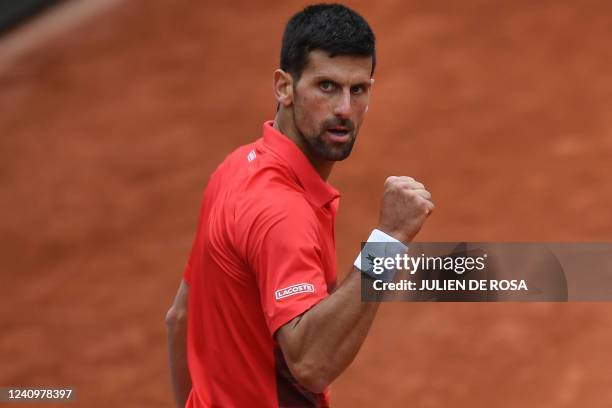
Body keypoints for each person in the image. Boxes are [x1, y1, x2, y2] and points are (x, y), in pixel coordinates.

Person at [165, 4, 434, 407]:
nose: (344, 109)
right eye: (326, 86)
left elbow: (179, 320)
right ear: (284, 87)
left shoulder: (235, 169)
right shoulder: (281, 213)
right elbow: (311, 363)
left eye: (358, 89)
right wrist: (389, 240)